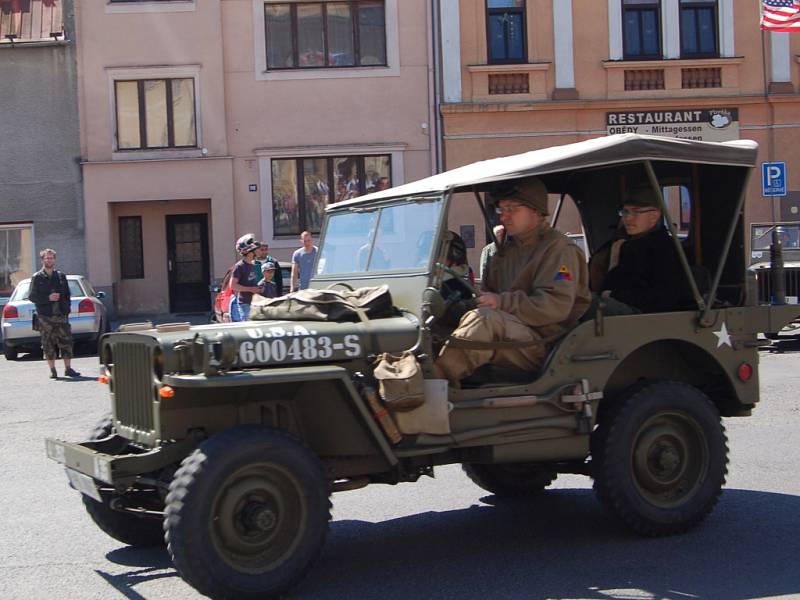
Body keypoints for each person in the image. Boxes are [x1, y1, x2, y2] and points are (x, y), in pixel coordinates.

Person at [436, 178, 590, 384]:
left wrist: (501, 302)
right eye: (501, 210)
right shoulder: (503, 251)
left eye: (511, 209)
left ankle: (433, 383)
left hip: (545, 343)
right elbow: (490, 294)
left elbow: (556, 306)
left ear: (535, 210)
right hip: (511, 335)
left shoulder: (560, 250)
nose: (504, 217)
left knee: (485, 320)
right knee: (436, 324)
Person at [594, 187, 694, 315]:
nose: (627, 219)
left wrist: (614, 295)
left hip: (646, 318)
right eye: (624, 212)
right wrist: (614, 260)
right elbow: (609, 285)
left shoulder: (665, 249)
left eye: (636, 212)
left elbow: (664, 298)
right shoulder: (629, 245)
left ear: (654, 216)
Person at [28, 248, 80, 379]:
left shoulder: (61, 276)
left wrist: (67, 309)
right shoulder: (37, 277)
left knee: (66, 342)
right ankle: (53, 370)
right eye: (47, 258)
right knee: (48, 343)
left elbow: (67, 294)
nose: (49, 260)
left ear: (54, 260)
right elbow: (32, 296)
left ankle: (68, 369)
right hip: (45, 316)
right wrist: (48, 298)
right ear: (42, 260)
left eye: (51, 258)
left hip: (61, 315)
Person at [230, 235, 262, 321]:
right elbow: (233, 285)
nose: (257, 250)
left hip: (255, 303)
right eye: (255, 249)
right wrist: (251, 289)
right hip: (245, 304)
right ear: (249, 251)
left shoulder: (254, 265)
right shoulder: (239, 266)